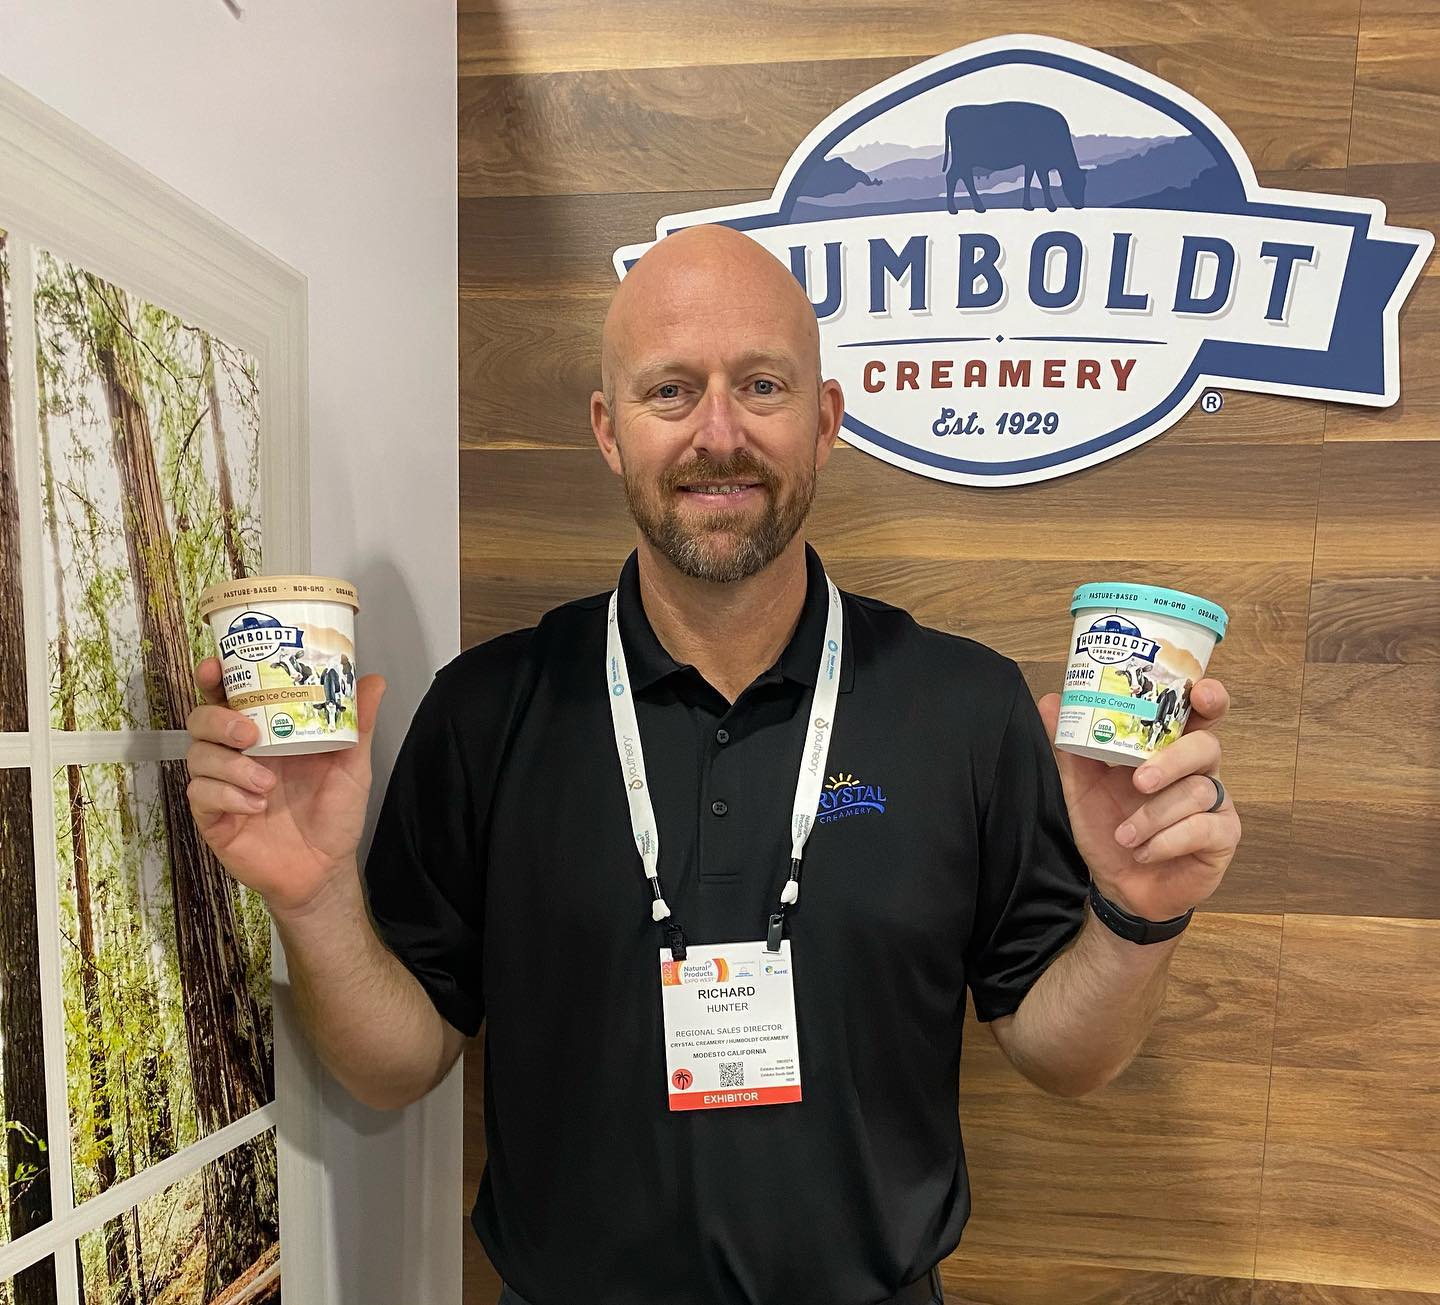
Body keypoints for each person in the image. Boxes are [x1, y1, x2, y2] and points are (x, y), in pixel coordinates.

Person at [184, 225, 1242, 1305]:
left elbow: (1065, 1055)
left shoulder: (965, 706)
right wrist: (314, 900)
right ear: (610, 430)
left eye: (763, 385)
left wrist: (1135, 914)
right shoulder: (485, 711)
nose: (719, 434)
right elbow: (396, 1065)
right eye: (671, 391)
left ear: (824, 423)